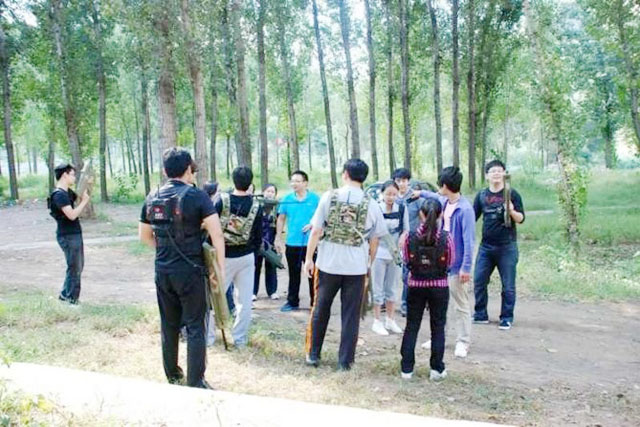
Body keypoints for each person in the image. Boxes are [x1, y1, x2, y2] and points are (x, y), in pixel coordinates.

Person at [139, 148, 225, 389]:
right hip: (191, 271)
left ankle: (173, 375)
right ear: (188, 169)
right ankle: (195, 381)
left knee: (169, 324)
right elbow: (217, 234)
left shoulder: (152, 196)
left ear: (165, 170)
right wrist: (219, 269)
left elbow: (144, 236)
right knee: (196, 325)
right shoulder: (198, 196)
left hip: (163, 270)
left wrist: (165, 251)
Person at [304, 159, 387, 370]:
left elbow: (316, 230)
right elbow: (375, 239)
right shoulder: (371, 203)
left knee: (320, 309)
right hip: (356, 267)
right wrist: (368, 262)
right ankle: (345, 361)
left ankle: (313, 354)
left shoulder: (329, 197)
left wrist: (309, 258)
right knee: (351, 315)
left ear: (345, 174)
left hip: (328, 264)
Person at [416, 166, 476, 358]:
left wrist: (466, 267)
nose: (438, 188)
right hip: (441, 262)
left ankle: (463, 341)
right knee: (440, 303)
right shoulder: (444, 201)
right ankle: (438, 336)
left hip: (457, 265)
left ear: (445, 185)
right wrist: (420, 193)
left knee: (460, 304)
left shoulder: (465, 209)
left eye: (440, 184)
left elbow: (469, 241)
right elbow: (433, 195)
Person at [400, 199, 454, 381]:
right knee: (438, 327)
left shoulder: (410, 237)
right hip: (439, 286)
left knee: (412, 326)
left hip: (416, 285)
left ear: (421, 215)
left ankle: (407, 369)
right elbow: (451, 261)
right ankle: (436, 369)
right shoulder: (446, 238)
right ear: (440, 215)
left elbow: (406, 259)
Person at [472, 160, 525, 330]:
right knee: (479, 281)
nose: (496, 174)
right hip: (486, 247)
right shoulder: (482, 195)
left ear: (504, 174)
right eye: (492, 171)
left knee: (508, 285)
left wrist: (511, 210)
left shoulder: (512, 194)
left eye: (499, 171)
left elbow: (521, 219)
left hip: (507, 246)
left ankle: (506, 317)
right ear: (487, 175)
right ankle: (480, 314)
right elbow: (472, 217)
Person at [214, 166, 263, 347]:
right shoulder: (257, 206)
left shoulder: (221, 200)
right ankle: (240, 339)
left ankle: (209, 337)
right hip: (246, 257)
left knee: (215, 297)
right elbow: (258, 236)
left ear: (233, 180)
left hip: (223, 257)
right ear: (250, 183)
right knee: (244, 301)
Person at [275, 170, 320, 311]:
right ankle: (292, 301)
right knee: (294, 274)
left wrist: (312, 224)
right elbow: (281, 218)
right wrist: (278, 237)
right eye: (292, 181)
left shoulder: (315, 199)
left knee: (312, 273)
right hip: (292, 242)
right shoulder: (287, 199)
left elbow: (322, 217)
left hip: (310, 243)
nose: (294, 184)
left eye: (298, 181)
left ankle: (315, 303)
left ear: (305, 183)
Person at [48, 163, 91, 305]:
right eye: (72, 174)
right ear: (65, 175)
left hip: (74, 233)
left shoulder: (68, 193)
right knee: (74, 267)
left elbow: (78, 197)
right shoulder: (59, 195)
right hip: (67, 235)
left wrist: (87, 183)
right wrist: (84, 202)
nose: (74, 177)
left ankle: (65, 296)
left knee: (77, 266)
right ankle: (71, 299)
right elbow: (71, 215)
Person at [371, 180, 408, 336]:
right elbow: (372, 232)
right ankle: (377, 320)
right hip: (379, 253)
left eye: (394, 194)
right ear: (382, 194)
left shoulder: (402, 208)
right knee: (377, 287)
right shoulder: (376, 208)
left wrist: (403, 238)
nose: (391, 197)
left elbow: (406, 229)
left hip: (395, 254)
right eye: (388, 194)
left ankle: (390, 319)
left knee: (392, 287)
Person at [392, 167, 425, 317]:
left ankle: (406, 304)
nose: (401, 184)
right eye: (398, 180)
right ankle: (385, 301)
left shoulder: (416, 198)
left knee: (408, 274)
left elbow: (424, 220)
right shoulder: (391, 197)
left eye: (404, 180)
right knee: (390, 272)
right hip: (393, 241)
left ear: (408, 181)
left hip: (412, 241)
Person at [253, 183, 280, 300]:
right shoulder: (256, 205)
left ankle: (272, 291)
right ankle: (253, 292)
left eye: (272, 192)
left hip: (271, 241)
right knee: (256, 267)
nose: (270, 193)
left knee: (271, 266)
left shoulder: (277, 208)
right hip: (258, 242)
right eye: (268, 191)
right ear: (263, 192)